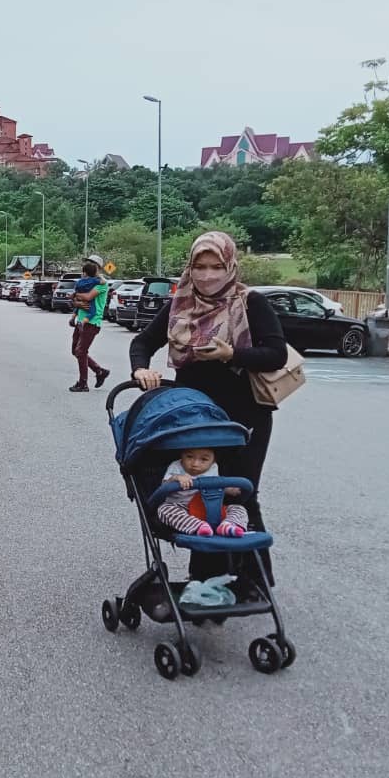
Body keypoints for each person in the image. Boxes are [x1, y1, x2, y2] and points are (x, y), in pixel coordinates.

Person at [130, 230, 286, 578]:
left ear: (229, 266)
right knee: (200, 493)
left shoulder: (250, 302)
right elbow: (144, 341)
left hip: (244, 417)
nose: (207, 275)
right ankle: (208, 580)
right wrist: (141, 368)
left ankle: (252, 580)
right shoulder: (180, 304)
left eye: (216, 266)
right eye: (199, 266)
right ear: (190, 267)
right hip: (195, 418)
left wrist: (233, 353)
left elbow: (275, 354)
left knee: (239, 495)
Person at [157, 448, 249, 538]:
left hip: (208, 507)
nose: (195, 464)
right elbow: (164, 487)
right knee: (164, 509)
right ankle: (197, 526)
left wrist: (227, 489)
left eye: (204, 459)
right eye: (189, 457)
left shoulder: (213, 467)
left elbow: (214, 486)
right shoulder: (176, 466)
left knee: (239, 508)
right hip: (183, 507)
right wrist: (176, 478)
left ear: (213, 460)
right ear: (182, 454)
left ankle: (228, 524)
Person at [68, 254, 111, 392]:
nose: (87, 265)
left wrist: (75, 295)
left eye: (90, 263)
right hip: (81, 320)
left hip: (92, 322)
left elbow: (87, 297)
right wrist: (74, 314)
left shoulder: (101, 284)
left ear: (97, 267)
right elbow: (79, 301)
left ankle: (83, 383)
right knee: (76, 350)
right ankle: (99, 371)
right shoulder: (86, 282)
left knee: (81, 351)